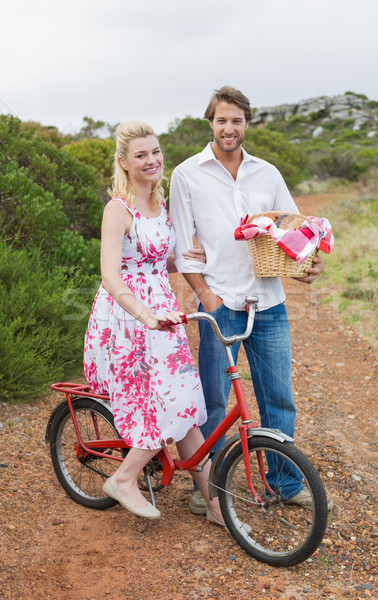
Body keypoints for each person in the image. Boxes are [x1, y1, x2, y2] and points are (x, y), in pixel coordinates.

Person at [169, 86, 332, 513]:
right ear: (211, 122)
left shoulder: (268, 173)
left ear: (246, 124)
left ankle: (284, 481)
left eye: (236, 121)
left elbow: (299, 231)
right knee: (214, 399)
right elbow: (183, 246)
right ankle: (209, 489)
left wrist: (311, 264)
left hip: (269, 304)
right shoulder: (187, 175)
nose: (229, 128)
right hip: (220, 303)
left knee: (278, 397)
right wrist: (205, 294)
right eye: (221, 120)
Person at [83, 120, 225, 525]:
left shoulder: (159, 205)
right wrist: (146, 316)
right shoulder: (118, 208)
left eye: (155, 152)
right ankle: (124, 479)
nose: (151, 160)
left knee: (186, 403)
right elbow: (111, 275)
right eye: (141, 155)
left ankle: (215, 505)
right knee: (168, 403)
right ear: (124, 163)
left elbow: (159, 263)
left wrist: (210, 261)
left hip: (164, 314)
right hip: (129, 319)